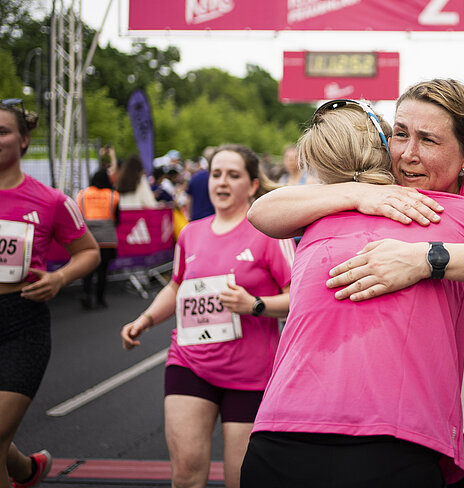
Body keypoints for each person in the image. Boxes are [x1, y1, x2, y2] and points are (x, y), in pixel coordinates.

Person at [247, 80, 464, 487]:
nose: (407, 154)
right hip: (415, 431)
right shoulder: (383, 197)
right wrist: (358, 193)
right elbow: (264, 211)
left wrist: (426, 258)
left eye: (428, 140)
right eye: (400, 134)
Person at [120, 144, 294, 488]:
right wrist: (146, 319)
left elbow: (299, 296)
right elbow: (176, 286)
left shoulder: (270, 233)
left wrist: (255, 304)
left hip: (250, 374)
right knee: (185, 474)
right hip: (189, 361)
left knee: (240, 479)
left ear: (253, 185)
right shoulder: (191, 232)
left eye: (233, 175)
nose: (222, 182)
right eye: (216, 174)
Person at [1, 98, 100, 488]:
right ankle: (26, 470)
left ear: (23, 141)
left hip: (20, 323)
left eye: (3, 131)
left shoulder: (49, 200)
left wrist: (58, 280)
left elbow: (89, 252)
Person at [75, 168, 120, 309]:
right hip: (107, 238)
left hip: (88, 237)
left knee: (88, 268)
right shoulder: (113, 195)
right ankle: (100, 299)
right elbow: (118, 219)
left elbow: (78, 216)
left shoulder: (82, 195)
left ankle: (86, 293)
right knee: (102, 270)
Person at [184, 147, 215, 221]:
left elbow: (188, 198)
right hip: (213, 218)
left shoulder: (196, 176)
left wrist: (188, 215)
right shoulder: (217, 178)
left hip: (197, 217)